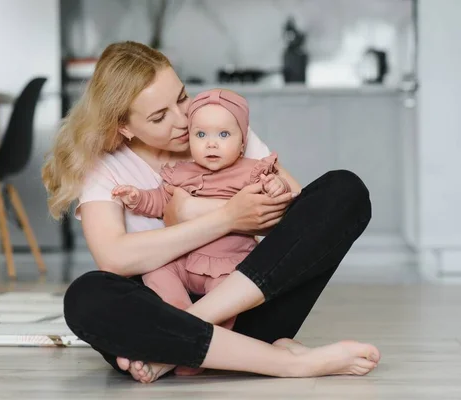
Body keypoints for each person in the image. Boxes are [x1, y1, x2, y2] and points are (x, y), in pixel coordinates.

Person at [42, 40, 380, 383]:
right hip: (158, 313)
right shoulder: (106, 167)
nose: (183, 121)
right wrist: (225, 217)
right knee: (86, 297)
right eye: (160, 117)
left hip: (239, 311)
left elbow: (297, 222)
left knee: (344, 191)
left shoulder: (218, 128)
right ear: (124, 128)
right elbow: (114, 258)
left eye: (182, 98)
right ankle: (287, 362)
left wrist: (198, 210)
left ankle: (178, 346)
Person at [112, 88, 292, 338]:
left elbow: (279, 200)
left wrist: (275, 186)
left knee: (228, 297)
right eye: (200, 134)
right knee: (156, 272)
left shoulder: (251, 172)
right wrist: (137, 198)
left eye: (224, 134)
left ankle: (199, 340)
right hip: (184, 260)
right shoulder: (181, 173)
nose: (211, 143)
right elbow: (161, 200)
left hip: (227, 264)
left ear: (242, 141)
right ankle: (179, 317)